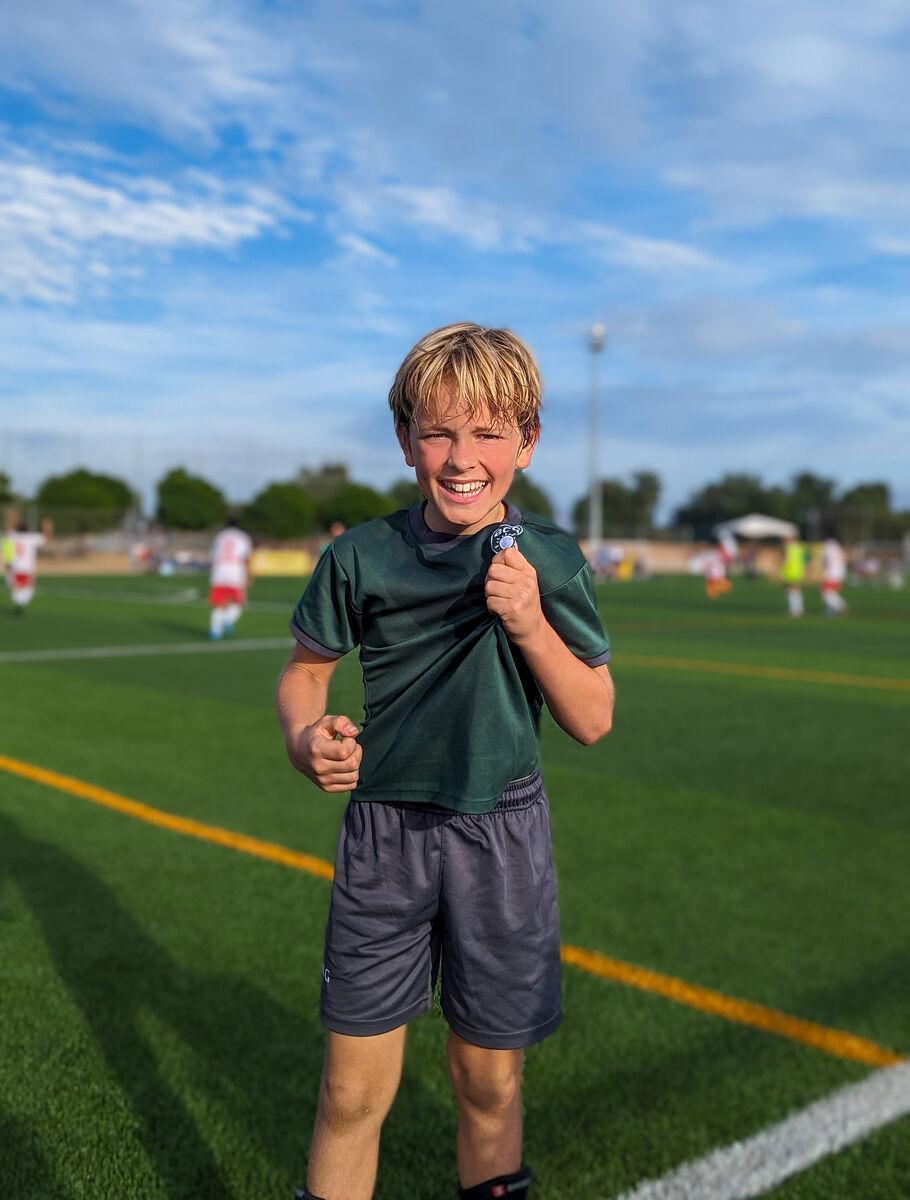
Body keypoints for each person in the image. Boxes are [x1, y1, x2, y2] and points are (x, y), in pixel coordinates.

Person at [277, 323, 614, 1200]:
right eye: (438, 432)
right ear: (405, 441)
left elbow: (594, 717)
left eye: (489, 432)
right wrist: (304, 737)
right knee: (350, 1094)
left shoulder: (549, 559)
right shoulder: (361, 555)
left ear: (528, 443)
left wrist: (531, 621)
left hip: (500, 836)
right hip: (384, 838)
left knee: (489, 1083)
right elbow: (305, 675)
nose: (462, 457)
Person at [208, 516, 253, 639]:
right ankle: (227, 620)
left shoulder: (220, 536)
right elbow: (246, 558)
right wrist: (249, 575)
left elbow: (213, 556)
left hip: (219, 572)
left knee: (218, 604)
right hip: (235, 573)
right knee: (238, 603)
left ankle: (214, 631)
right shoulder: (243, 537)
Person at [7, 519, 52, 614]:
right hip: (28, 568)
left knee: (17, 587)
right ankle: (20, 602)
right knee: (28, 588)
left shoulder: (13, 536)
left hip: (16, 567)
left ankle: (18, 602)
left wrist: (11, 519)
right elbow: (46, 538)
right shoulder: (31, 537)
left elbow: (9, 530)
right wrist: (47, 527)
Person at [820, 531, 848, 617]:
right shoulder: (837, 545)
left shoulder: (827, 546)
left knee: (825, 593)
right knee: (832, 592)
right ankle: (831, 612)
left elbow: (825, 560)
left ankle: (841, 605)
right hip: (841, 571)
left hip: (832, 572)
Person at [781, 532, 806, 617]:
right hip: (798, 571)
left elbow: (786, 561)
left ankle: (794, 610)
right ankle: (799, 608)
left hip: (790, 571)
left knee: (791, 591)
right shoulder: (799, 547)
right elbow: (804, 560)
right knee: (797, 590)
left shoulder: (789, 548)